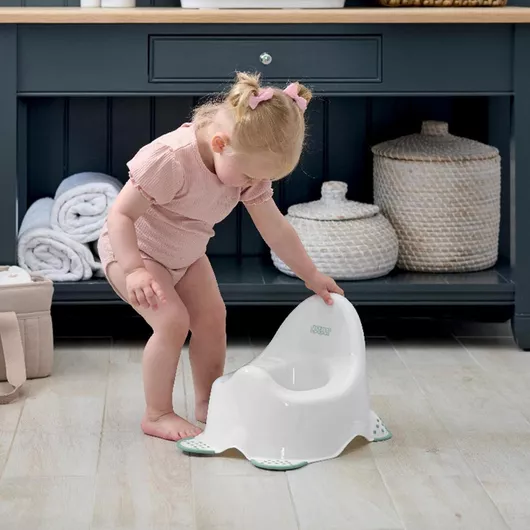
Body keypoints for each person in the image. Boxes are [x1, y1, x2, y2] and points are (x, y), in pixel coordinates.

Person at [98, 72, 344, 442]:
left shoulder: (245, 166)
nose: (252, 184)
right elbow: (121, 215)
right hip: (137, 251)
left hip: (186, 254)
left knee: (213, 319)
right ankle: (157, 413)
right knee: (172, 322)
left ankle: (208, 402)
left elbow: (275, 228)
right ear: (219, 144)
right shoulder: (171, 159)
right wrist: (133, 269)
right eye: (248, 175)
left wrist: (311, 274)